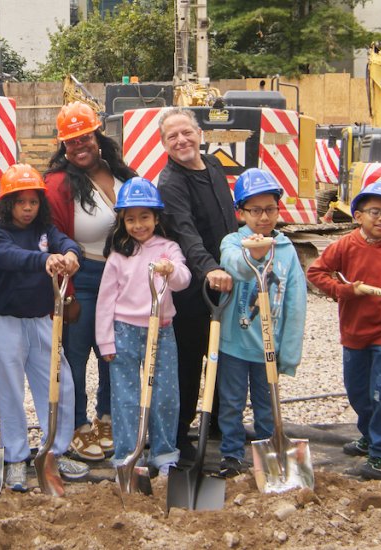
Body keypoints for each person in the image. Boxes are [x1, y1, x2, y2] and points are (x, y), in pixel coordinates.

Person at [305, 182, 381, 480]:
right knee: (357, 391)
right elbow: (316, 273)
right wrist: (344, 291)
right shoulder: (345, 245)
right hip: (354, 332)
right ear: (358, 215)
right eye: (375, 212)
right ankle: (368, 436)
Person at [0, 163, 90, 491]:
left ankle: (53, 452)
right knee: (9, 390)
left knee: (61, 385)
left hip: (43, 320)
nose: (28, 209)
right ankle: (16, 457)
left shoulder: (46, 231)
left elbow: (68, 244)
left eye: (33, 202)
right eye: (21, 202)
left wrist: (71, 256)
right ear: (8, 204)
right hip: (6, 322)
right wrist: (44, 260)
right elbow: (10, 257)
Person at [45, 101, 138, 462]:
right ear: (63, 147)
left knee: (113, 353)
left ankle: (109, 418)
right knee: (76, 354)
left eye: (84, 138)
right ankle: (77, 423)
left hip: (121, 277)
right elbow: (50, 231)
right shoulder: (57, 184)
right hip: (81, 276)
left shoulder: (121, 174)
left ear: (97, 136)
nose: (79, 146)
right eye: (71, 142)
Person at [156, 107, 239, 462]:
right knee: (189, 363)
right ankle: (179, 434)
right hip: (195, 287)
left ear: (199, 133)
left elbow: (230, 222)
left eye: (186, 133)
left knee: (223, 356)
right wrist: (211, 270)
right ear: (163, 144)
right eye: (172, 136)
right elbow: (186, 234)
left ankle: (220, 422)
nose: (181, 141)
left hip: (226, 282)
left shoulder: (214, 167)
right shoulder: (171, 182)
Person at [215, 169, 308, 477]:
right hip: (235, 346)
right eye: (255, 210)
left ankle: (270, 451)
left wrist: (289, 351)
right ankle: (230, 453)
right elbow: (235, 266)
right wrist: (254, 254)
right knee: (231, 403)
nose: (263, 217)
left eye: (270, 209)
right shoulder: (232, 242)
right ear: (241, 212)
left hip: (270, 348)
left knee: (268, 405)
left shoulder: (286, 249)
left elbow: (296, 301)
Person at [94, 177, 188, 477]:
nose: (138, 225)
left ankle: (164, 452)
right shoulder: (119, 254)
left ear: (156, 217)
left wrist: (171, 270)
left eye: (144, 217)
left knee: (165, 393)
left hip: (161, 329)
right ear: (122, 221)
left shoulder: (168, 248)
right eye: (131, 219)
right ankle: (127, 454)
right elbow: (105, 301)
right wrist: (105, 341)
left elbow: (183, 280)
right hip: (125, 331)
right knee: (125, 396)